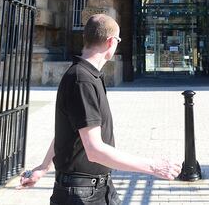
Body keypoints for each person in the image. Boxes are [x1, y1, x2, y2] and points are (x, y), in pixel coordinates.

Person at [19, 14, 181, 204]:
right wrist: (153, 166)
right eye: (118, 40)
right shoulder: (82, 80)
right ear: (111, 42)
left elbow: (71, 131)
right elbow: (94, 150)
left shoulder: (89, 76)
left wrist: (43, 167)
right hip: (80, 194)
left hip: (99, 189)